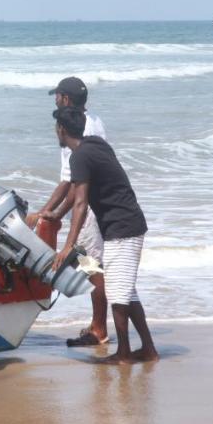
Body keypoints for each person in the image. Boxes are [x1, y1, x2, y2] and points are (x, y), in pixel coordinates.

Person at [53, 106, 157, 364]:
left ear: (61, 130)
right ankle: (148, 349)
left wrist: (68, 245)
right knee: (127, 292)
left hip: (123, 228)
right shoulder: (97, 144)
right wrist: (54, 215)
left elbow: (80, 202)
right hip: (123, 225)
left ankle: (123, 354)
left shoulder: (78, 157)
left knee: (117, 294)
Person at [29, 76, 110, 347]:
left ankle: (99, 328)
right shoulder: (94, 121)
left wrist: (49, 212)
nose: (55, 100)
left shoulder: (72, 130)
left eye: (58, 96)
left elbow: (71, 182)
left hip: (87, 208)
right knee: (89, 264)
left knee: (91, 266)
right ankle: (97, 324)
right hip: (96, 202)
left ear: (66, 99)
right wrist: (51, 211)